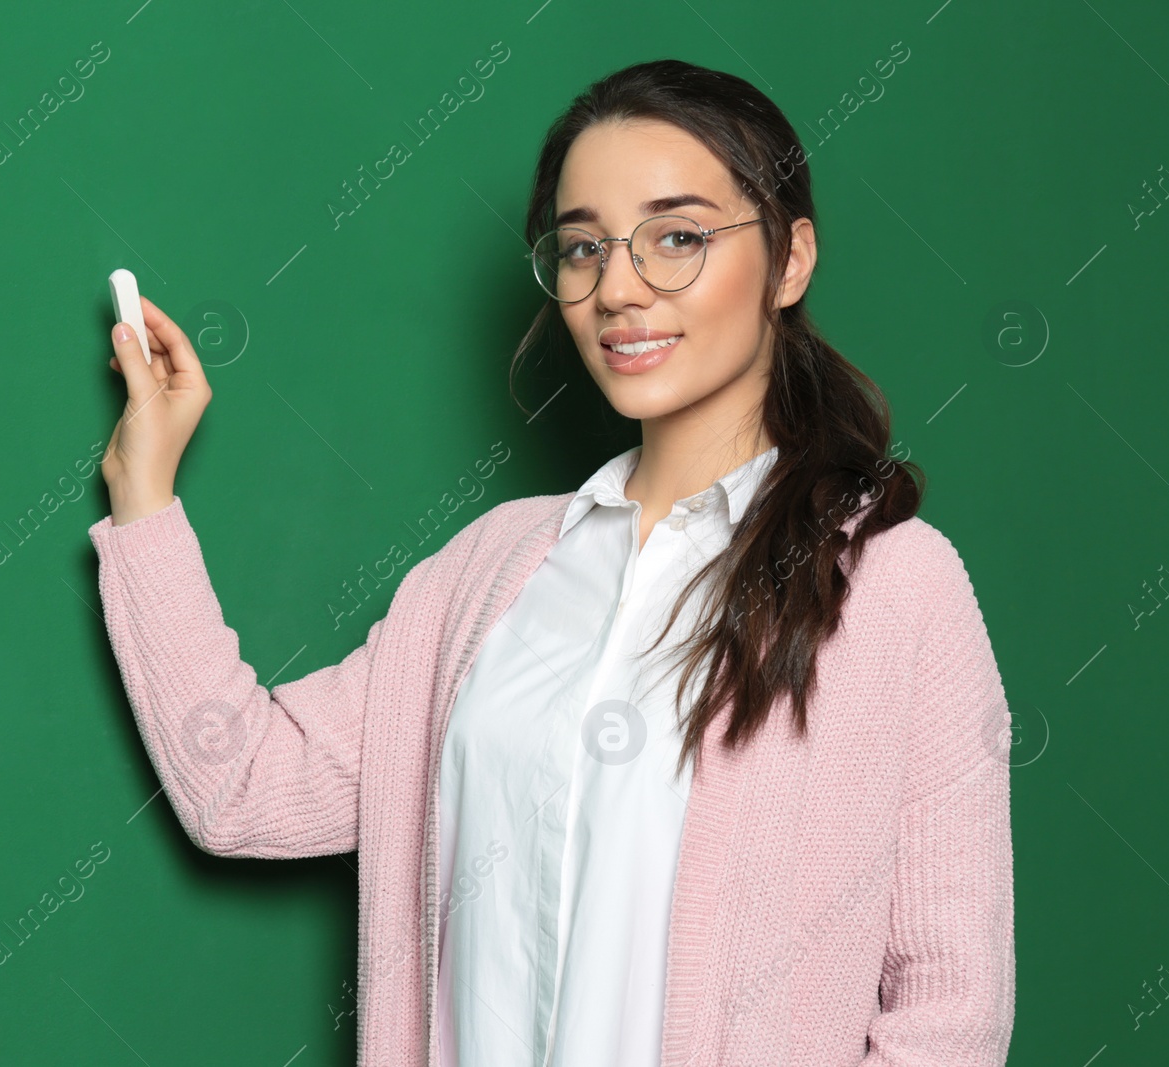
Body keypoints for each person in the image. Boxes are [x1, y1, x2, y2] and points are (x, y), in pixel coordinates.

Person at [87, 59, 1014, 1067]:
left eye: (677, 236)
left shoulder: (894, 586)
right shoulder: (488, 570)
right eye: (582, 248)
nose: (617, 288)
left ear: (790, 261)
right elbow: (246, 786)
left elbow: (949, 1010)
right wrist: (145, 500)